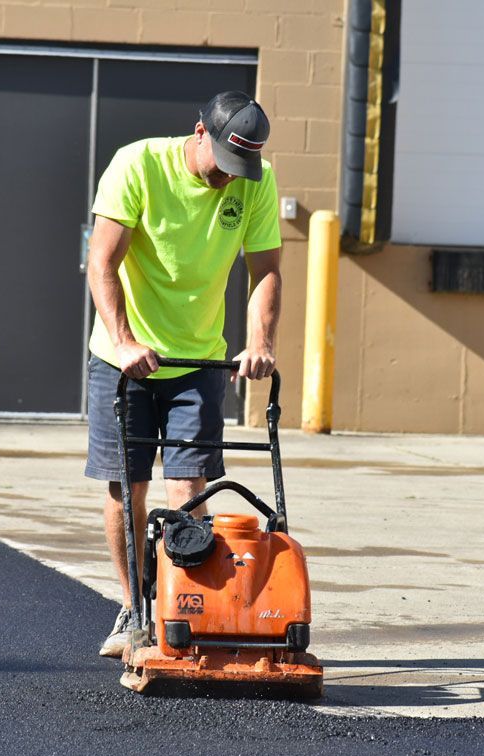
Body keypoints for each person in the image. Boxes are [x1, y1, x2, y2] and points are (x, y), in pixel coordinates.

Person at [85, 91, 283, 657]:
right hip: (125, 361)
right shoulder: (138, 164)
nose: (229, 179)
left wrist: (261, 343)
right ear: (200, 133)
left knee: (190, 491)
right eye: (223, 164)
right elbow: (103, 261)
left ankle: (181, 609)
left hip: (198, 360)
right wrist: (124, 341)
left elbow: (266, 269)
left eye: (239, 169)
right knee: (128, 489)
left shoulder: (255, 180)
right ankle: (131, 608)